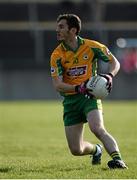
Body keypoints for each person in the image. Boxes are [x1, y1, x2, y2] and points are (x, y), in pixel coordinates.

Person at [50, 14, 127, 169]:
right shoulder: (57, 55)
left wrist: (110, 75)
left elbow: (115, 62)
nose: (57, 30)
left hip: (89, 96)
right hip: (71, 101)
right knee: (76, 150)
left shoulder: (92, 46)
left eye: (61, 27)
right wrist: (78, 88)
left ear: (73, 30)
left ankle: (118, 160)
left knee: (97, 128)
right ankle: (96, 149)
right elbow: (58, 85)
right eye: (57, 26)